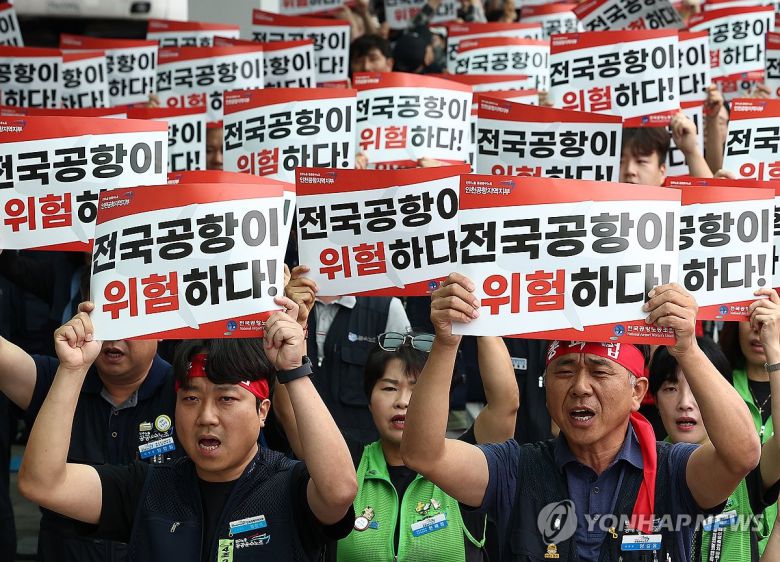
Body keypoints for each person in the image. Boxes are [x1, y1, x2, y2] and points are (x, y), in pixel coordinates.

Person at [401, 274, 760, 561]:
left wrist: (688, 349)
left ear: (637, 393)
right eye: (565, 371)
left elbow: (742, 454)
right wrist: (446, 342)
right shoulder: (514, 469)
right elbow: (424, 454)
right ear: (546, 388)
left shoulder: (673, 470)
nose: (580, 387)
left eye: (600, 372)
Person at [18, 297, 358, 561]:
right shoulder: (149, 488)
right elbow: (43, 483)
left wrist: (294, 371)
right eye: (191, 399)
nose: (206, 416)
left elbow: (339, 491)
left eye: (226, 399)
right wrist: (72, 369)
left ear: (262, 411)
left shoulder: (289, 486)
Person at [0, 293, 173, 562]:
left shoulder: (187, 392)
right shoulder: (58, 378)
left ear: (162, 327)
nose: (114, 336)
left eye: (128, 319)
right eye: (105, 318)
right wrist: (72, 369)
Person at [334, 331, 517, 561]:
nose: (402, 401)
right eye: (390, 388)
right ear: (369, 401)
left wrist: (482, 325)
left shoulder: (468, 469)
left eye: (418, 389)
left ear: (444, 400)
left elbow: (504, 404)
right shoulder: (347, 463)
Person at [650, 328, 780, 559]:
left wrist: (773, 348)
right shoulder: (640, 469)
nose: (685, 403)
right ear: (655, 401)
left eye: (697, 389)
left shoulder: (745, 467)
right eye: (670, 388)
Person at [285, 265, 410, 444]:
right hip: (293, 448)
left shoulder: (387, 307)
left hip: (367, 452)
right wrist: (286, 310)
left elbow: (409, 384)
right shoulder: (280, 304)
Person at [620, 112, 712, 186]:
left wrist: (691, 152)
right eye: (620, 162)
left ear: (662, 172)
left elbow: (710, 200)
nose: (629, 170)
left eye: (641, 161)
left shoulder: (676, 203)